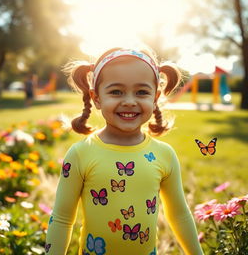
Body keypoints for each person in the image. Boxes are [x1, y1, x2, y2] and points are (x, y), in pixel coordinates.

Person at [45, 47, 204, 255]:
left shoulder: (164, 154)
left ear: (155, 98)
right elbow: (62, 219)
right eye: (116, 91)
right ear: (96, 97)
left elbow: (180, 215)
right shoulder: (81, 154)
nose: (129, 101)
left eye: (141, 92)